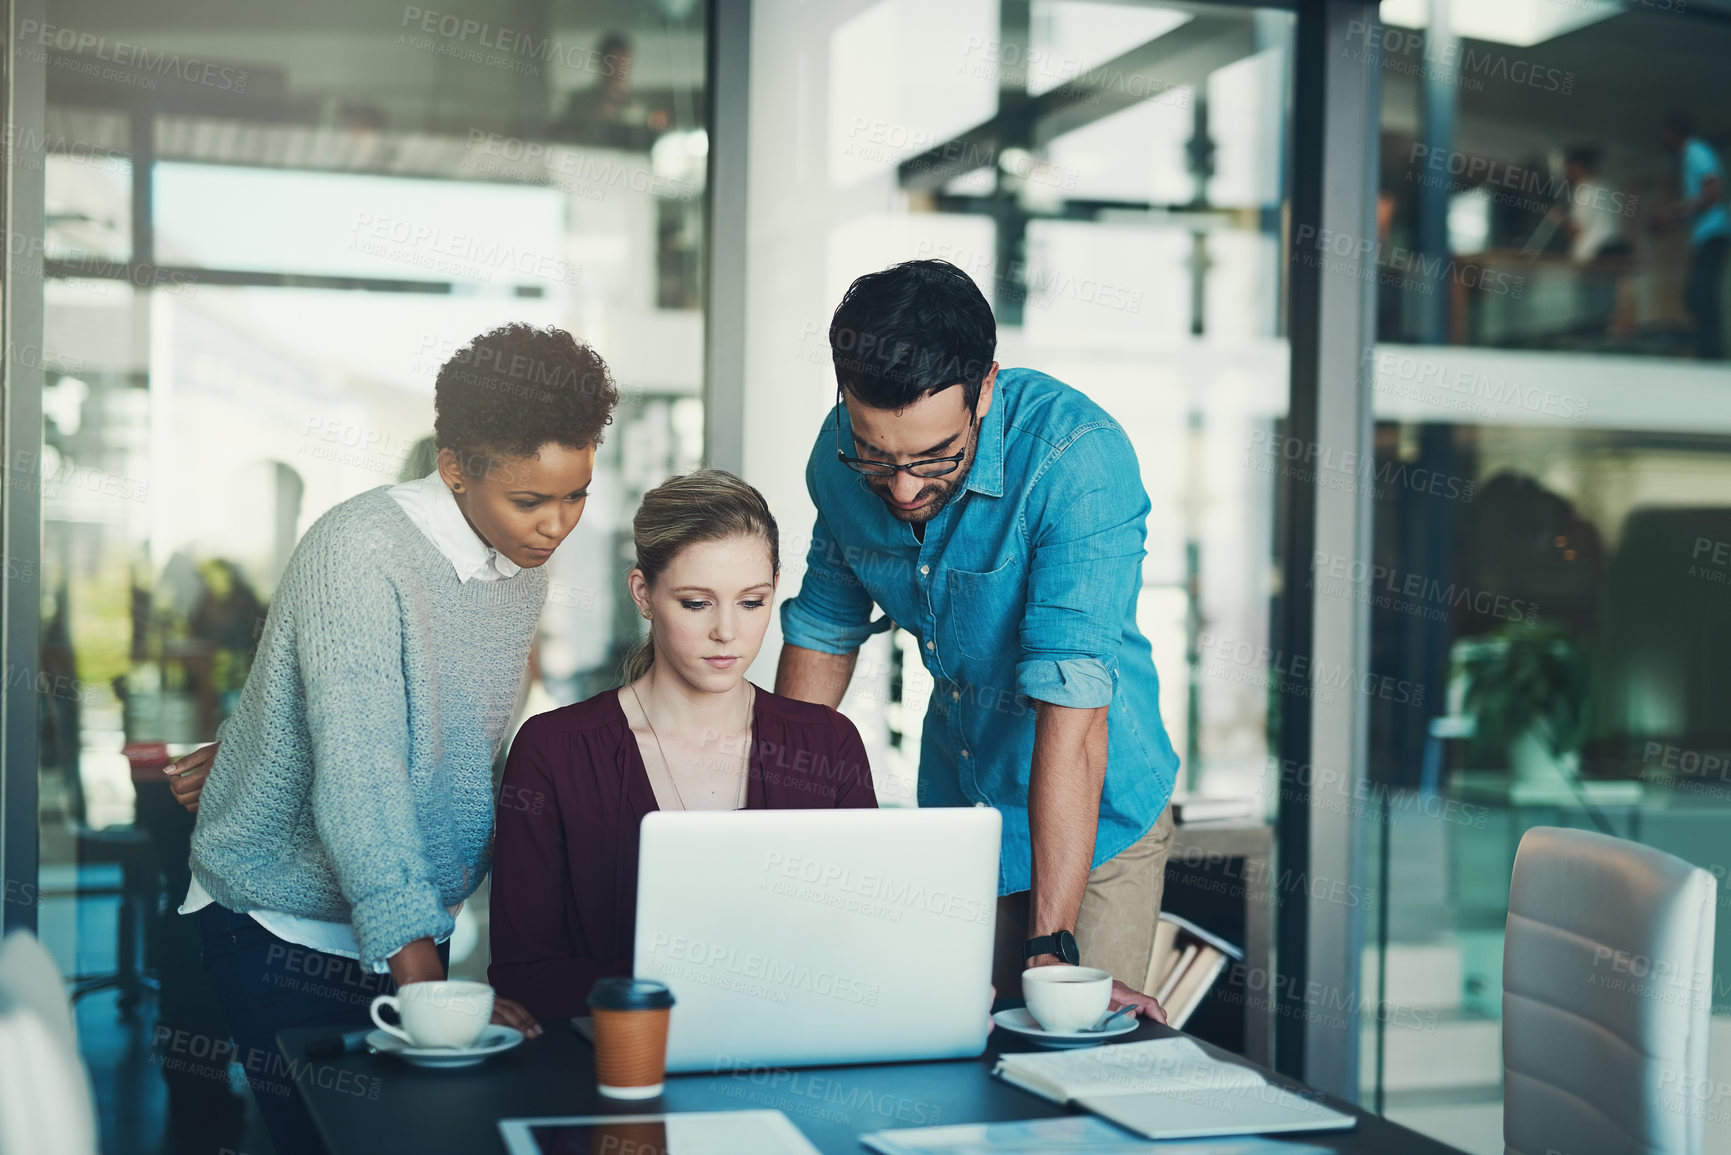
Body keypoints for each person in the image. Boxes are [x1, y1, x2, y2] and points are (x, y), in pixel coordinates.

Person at [166, 323, 619, 1154]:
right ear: (453, 467)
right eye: (530, 500)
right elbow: (361, 776)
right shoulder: (360, 550)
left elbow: (427, 726)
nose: (557, 525)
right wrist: (433, 1002)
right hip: (283, 927)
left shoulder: (516, 560)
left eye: (576, 493)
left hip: (411, 923)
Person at [775, 259, 1180, 1022]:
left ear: (985, 389)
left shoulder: (1077, 461)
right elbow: (823, 635)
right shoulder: (836, 462)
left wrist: (1051, 945)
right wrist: (778, 837)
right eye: (876, 455)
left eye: (933, 458)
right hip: (960, 810)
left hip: (1096, 818)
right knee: (958, 1050)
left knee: (1065, 1052)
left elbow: (1072, 708)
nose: (899, 488)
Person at [488, 470, 878, 1020]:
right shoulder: (554, 752)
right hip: (615, 1075)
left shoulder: (828, 745)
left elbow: (864, 945)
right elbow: (523, 972)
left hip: (798, 1066)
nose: (727, 632)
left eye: (751, 602)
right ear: (643, 594)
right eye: (696, 603)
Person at [1657, 113, 1729, 359]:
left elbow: (1712, 192)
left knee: (1700, 296)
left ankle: (1711, 353)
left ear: (1673, 134)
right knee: (1698, 295)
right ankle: (1707, 350)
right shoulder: (1689, 156)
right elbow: (1698, 200)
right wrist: (1672, 215)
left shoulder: (1697, 152)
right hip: (1704, 234)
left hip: (1713, 232)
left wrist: (1675, 214)